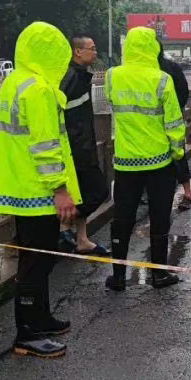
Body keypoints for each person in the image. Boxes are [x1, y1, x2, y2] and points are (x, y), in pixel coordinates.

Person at [0, 21, 83, 359]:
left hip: (18, 187)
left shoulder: (13, 83)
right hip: (38, 191)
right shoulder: (40, 89)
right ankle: (27, 333)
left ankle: (41, 318)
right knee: (36, 261)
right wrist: (60, 189)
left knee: (38, 259)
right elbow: (46, 146)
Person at [104, 26, 189, 291]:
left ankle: (118, 276)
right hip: (159, 162)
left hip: (125, 161)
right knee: (160, 217)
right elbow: (175, 124)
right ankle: (158, 275)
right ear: (153, 48)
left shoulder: (112, 76)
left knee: (122, 218)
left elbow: (113, 106)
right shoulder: (162, 79)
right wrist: (178, 155)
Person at [60, 35, 110, 252]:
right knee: (98, 192)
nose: (95, 52)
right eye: (92, 48)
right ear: (77, 51)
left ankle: (81, 239)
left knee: (85, 193)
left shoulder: (80, 75)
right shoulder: (70, 76)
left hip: (84, 145)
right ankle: (63, 228)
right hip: (75, 149)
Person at [157, 48, 191, 210]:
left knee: (172, 157)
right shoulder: (173, 67)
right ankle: (187, 193)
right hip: (174, 119)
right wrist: (177, 110)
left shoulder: (160, 70)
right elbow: (184, 91)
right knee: (179, 154)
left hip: (154, 125)